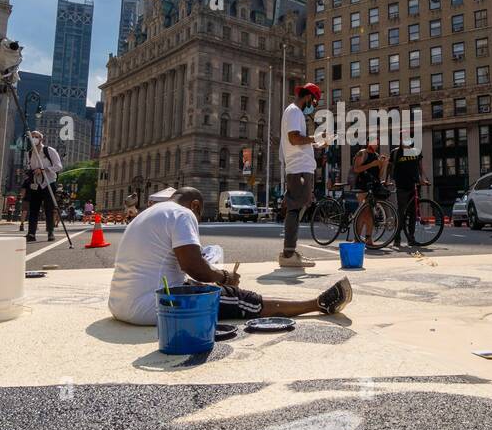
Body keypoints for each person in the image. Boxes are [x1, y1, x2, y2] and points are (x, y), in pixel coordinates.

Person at [109, 186, 352, 326]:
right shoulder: (183, 214)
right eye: (200, 213)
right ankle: (317, 304)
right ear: (194, 205)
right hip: (150, 308)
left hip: (120, 303)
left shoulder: (150, 213)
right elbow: (195, 268)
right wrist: (224, 277)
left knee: (197, 286)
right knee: (240, 299)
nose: (199, 219)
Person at [278, 82, 326, 270]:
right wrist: (316, 138)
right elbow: (294, 138)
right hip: (298, 167)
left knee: (297, 205)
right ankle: (289, 253)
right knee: (295, 207)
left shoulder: (293, 112)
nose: (313, 106)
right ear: (308, 97)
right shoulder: (295, 112)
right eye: (314, 101)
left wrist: (316, 143)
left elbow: (298, 140)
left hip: (299, 166)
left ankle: (290, 251)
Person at [25, 131, 63, 243]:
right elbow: (29, 167)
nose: (34, 138)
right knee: (33, 209)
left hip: (48, 183)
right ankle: (31, 233)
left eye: (36, 137)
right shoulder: (29, 153)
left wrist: (44, 170)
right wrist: (30, 172)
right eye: (32, 137)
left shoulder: (49, 150)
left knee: (49, 209)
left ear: (41, 139)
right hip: (35, 184)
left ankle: (50, 232)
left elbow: (58, 166)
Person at [389, 136, 426, 249]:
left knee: (413, 213)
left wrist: (422, 178)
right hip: (401, 186)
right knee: (401, 213)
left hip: (414, 185)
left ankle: (411, 238)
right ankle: (397, 238)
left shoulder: (415, 151)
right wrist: (387, 180)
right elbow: (390, 167)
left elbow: (420, 167)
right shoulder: (395, 152)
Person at [351, 140, 388, 244]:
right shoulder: (362, 153)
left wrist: (383, 165)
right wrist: (372, 164)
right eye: (374, 142)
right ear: (368, 142)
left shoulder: (377, 155)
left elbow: (379, 175)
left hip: (373, 187)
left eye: (377, 142)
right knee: (363, 212)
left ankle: (368, 238)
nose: (376, 145)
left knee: (370, 213)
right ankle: (358, 238)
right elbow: (356, 169)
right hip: (362, 186)